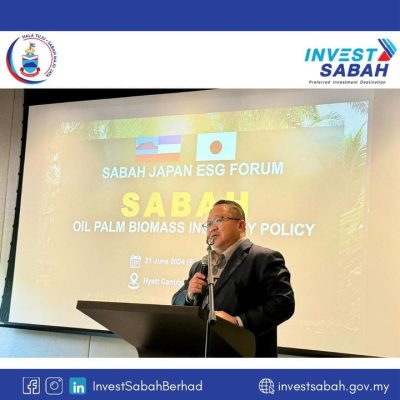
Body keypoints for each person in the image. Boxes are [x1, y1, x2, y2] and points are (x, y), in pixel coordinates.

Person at [172, 199, 295, 357]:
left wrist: (238, 321)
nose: (212, 227)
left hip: (246, 356)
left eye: (219, 220)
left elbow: (284, 303)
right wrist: (188, 295)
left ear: (240, 225)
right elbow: (176, 301)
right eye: (208, 224)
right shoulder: (200, 265)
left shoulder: (264, 258)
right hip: (203, 354)